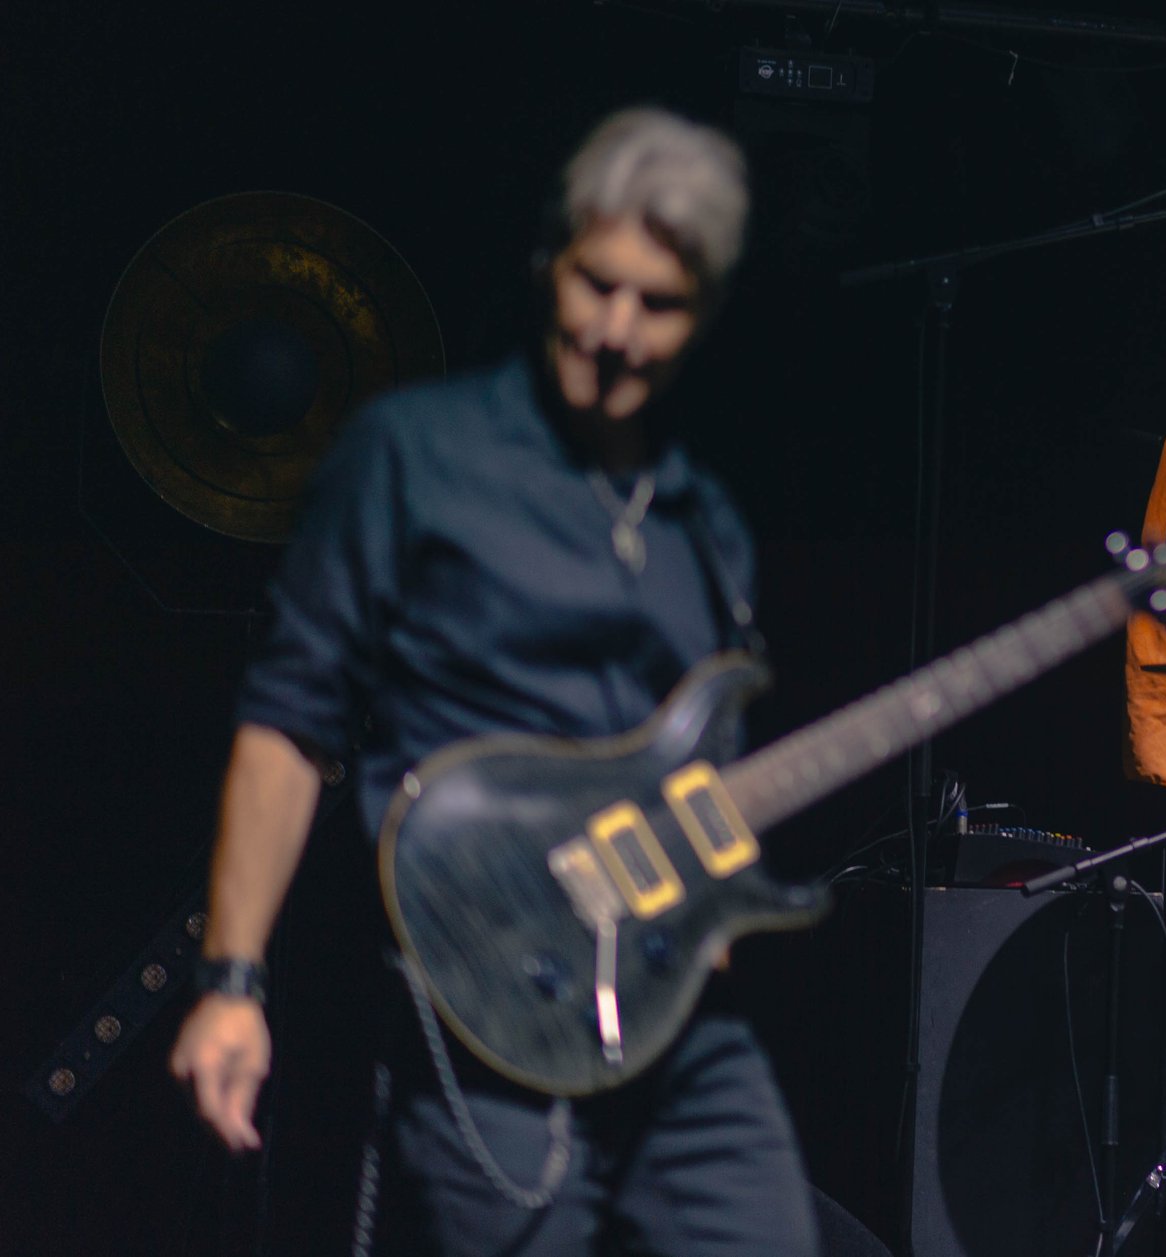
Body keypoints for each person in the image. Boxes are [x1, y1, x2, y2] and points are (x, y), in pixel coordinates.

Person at [168, 107, 833, 1256]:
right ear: (549, 267)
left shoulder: (705, 523)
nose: (616, 330)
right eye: (595, 285)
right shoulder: (416, 455)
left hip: (672, 1016)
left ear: (706, 316)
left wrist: (714, 897)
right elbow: (290, 721)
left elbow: (694, 770)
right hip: (485, 993)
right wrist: (233, 979)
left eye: (659, 304)